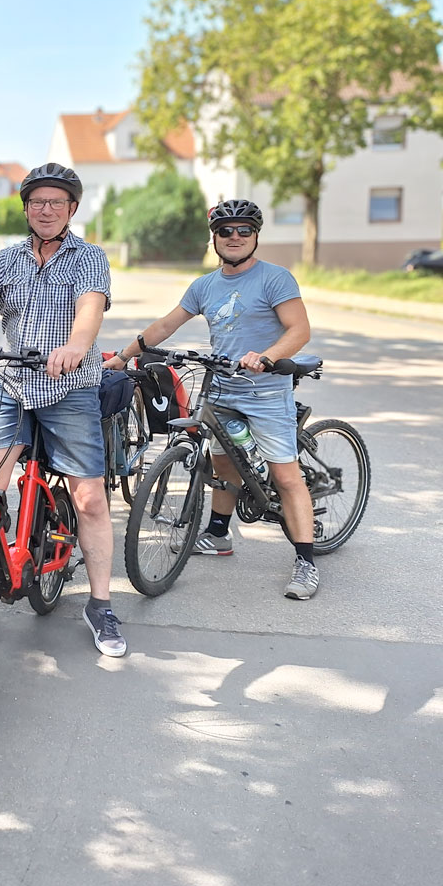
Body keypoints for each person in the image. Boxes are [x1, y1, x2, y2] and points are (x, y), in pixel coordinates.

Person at [0, 163, 127, 658]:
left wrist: (76, 345)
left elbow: (91, 308)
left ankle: (100, 605)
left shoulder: (89, 257)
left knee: (90, 498)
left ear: (72, 209)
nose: (46, 210)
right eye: (38, 202)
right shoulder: (8, 258)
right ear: (26, 209)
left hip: (69, 384)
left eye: (57, 202)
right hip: (15, 382)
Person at [104, 199, 319, 599]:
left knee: (287, 477)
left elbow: (299, 329)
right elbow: (167, 324)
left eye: (243, 231)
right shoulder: (204, 285)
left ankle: (305, 561)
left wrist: (267, 356)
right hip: (222, 387)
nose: (234, 237)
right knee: (221, 462)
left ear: (255, 236)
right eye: (226, 231)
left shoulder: (275, 278)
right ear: (214, 238)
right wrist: (123, 355)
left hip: (265, 391)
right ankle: (219, 534)